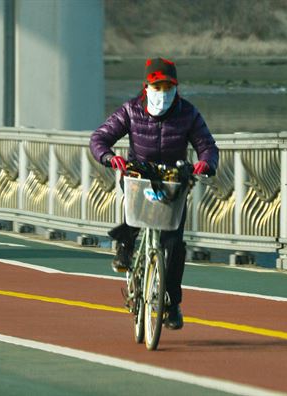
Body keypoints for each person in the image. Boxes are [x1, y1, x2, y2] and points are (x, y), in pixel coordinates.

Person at [89, 57, 219, 330]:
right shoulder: (131, 111)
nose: (162, 92)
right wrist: (110, 158)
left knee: (174, 244)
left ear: (176, 88)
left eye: (167, 86)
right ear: (146, 87)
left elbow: (207, 145)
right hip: (139, 175)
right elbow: (99, 138)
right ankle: (125, 247)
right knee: (137, 217)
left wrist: (205, 163)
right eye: (156, 86)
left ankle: (171, 303)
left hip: (173, 180)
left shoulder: (188, 114)